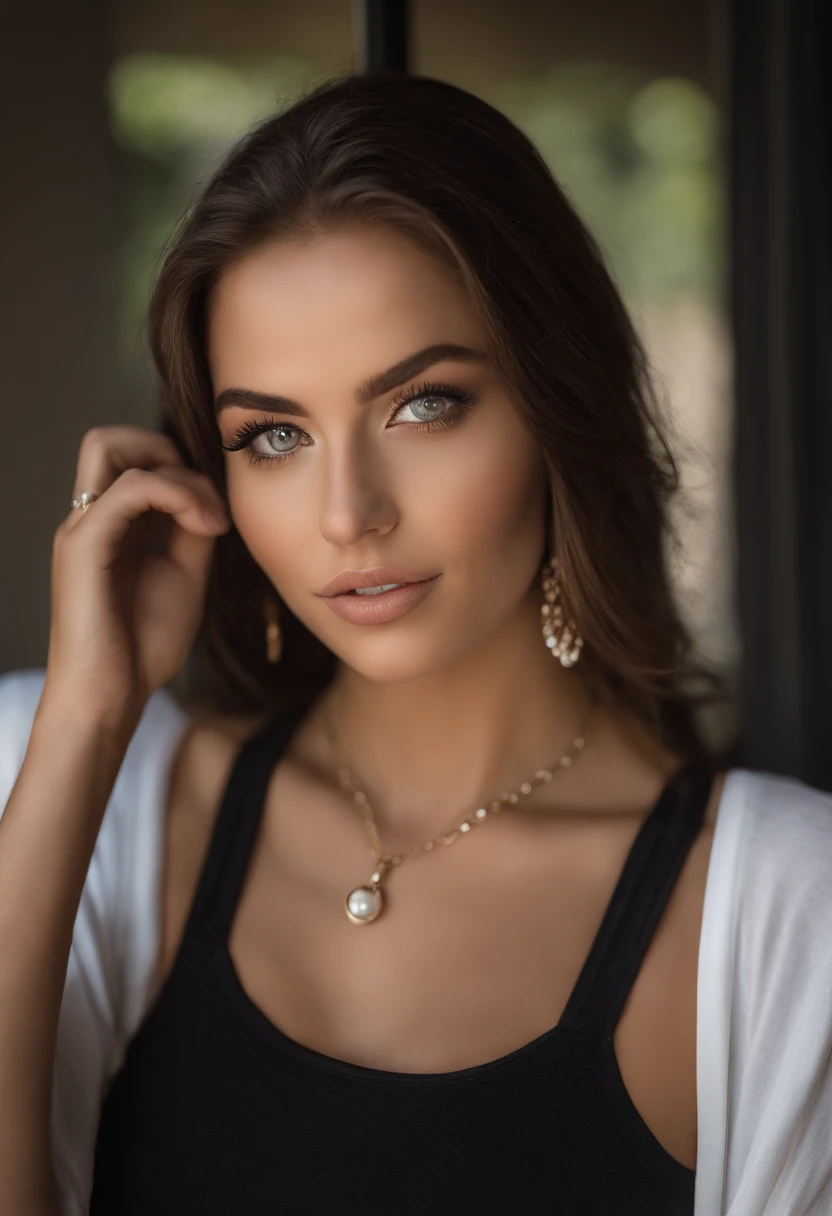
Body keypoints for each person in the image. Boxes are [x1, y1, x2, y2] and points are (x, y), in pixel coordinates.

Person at [1, 72, 830, 1216]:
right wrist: (86, 726)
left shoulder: (788, 913)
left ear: (554, 399)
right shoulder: (79, 792)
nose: (347, 513)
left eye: (424, 405)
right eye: (274, 434)